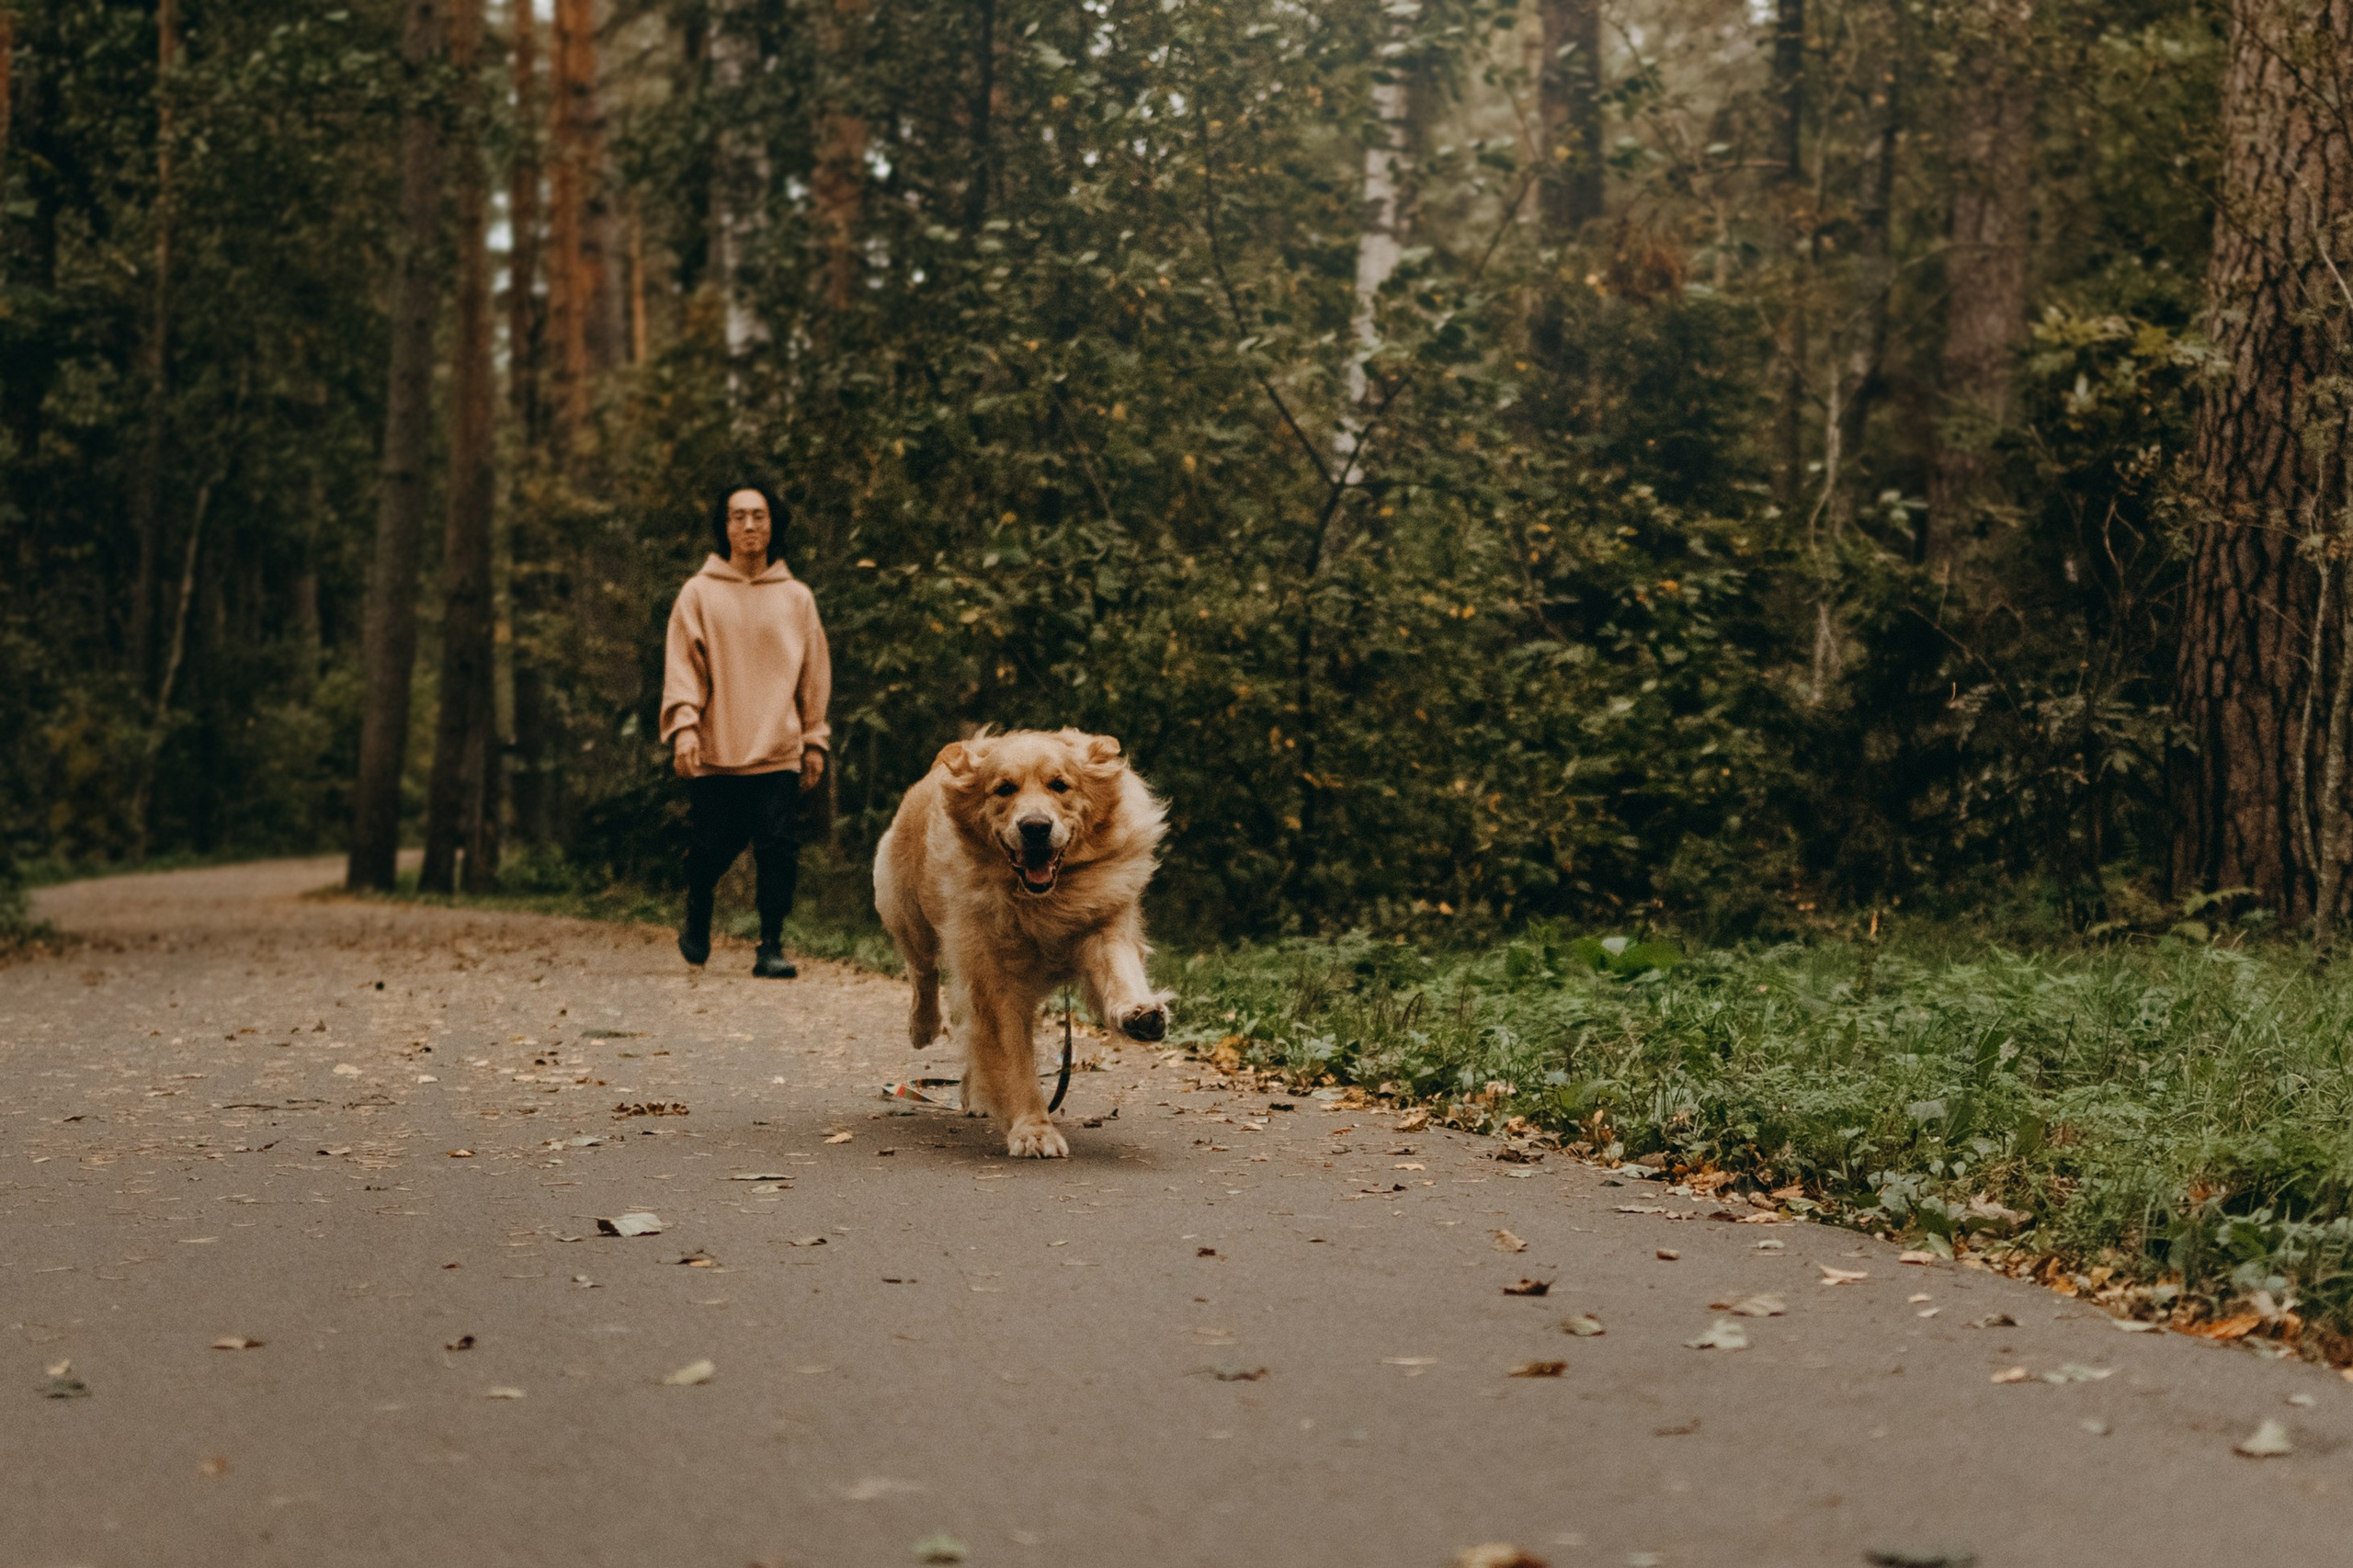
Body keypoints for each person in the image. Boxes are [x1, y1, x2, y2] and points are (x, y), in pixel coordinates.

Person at [659, 481, 831, 977]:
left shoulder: (797, 598)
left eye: (758, 515)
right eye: (738, 516)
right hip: (716, 747)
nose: (749, 525)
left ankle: (770, 945)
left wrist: (814, 740)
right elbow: (682, 666)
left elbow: (814, 674)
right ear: (725, 526)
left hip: (779, 747)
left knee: (777, 846)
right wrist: (685, 728)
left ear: (772, 524)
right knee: (712, 848)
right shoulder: (698, 592)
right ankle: (698, 905)